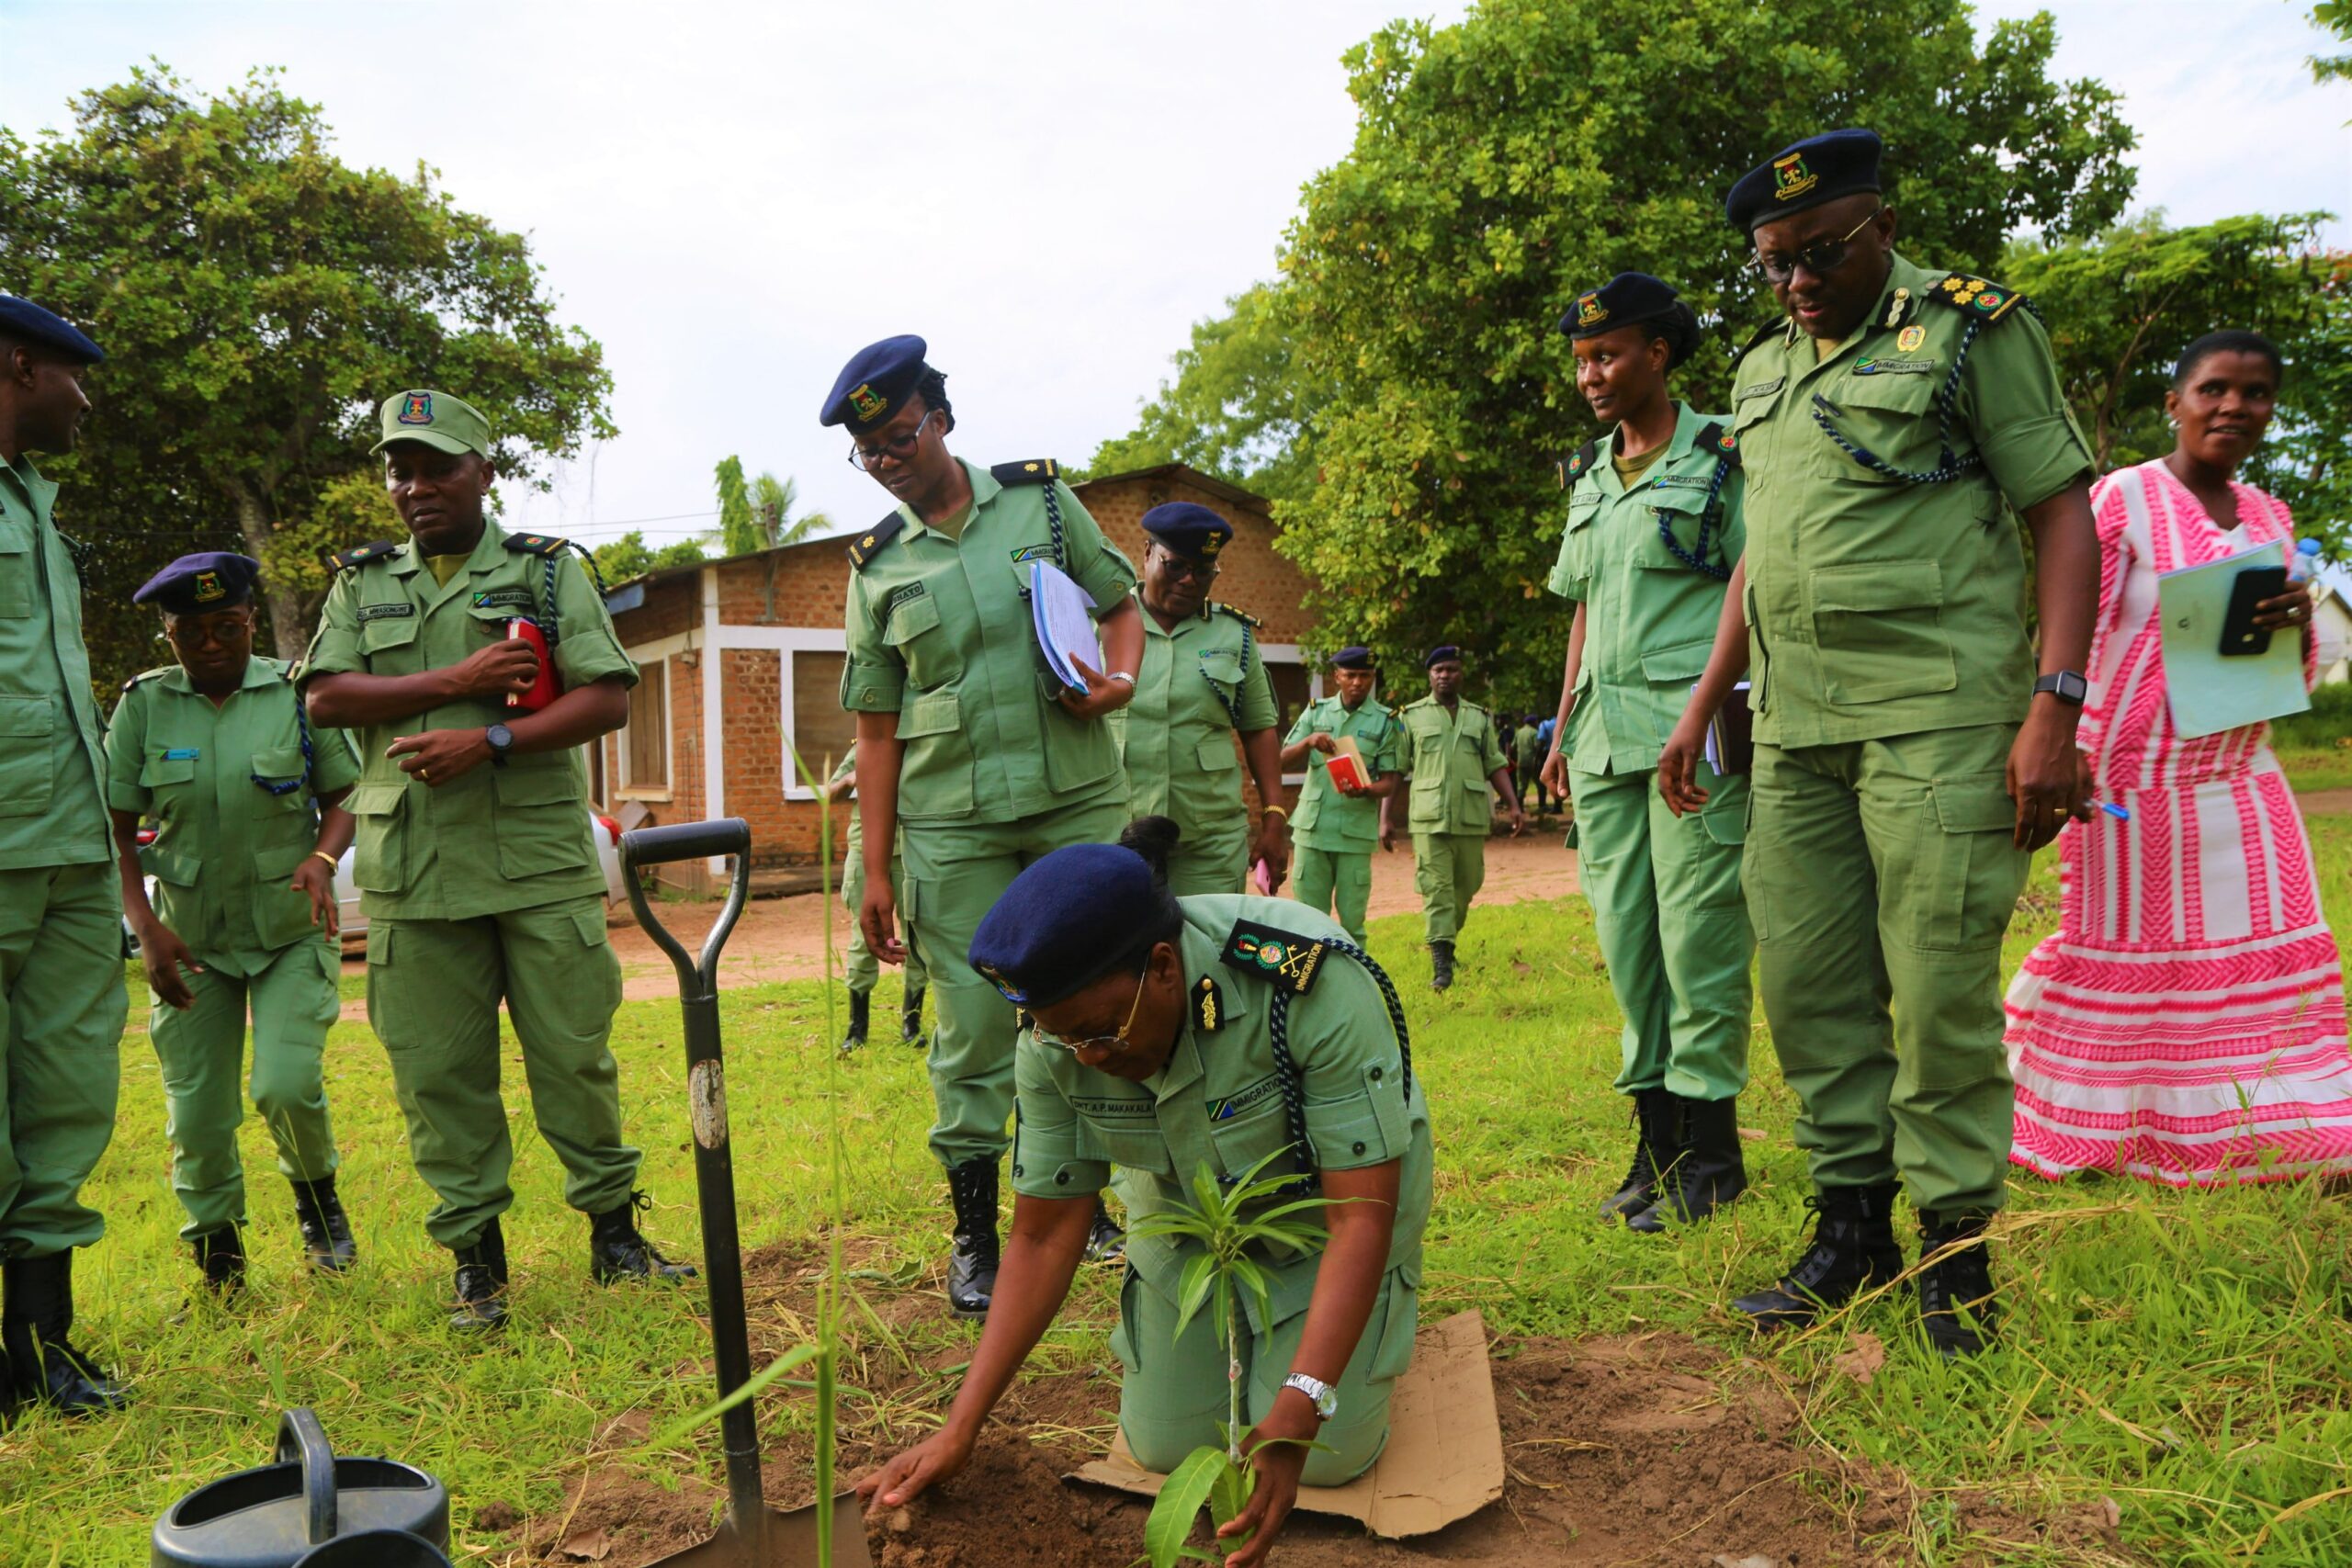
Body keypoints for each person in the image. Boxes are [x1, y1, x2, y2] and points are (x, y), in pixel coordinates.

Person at [1659, 130, 2100, 1356]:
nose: (1798, 280)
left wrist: (2056, 704)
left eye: (1820, 253)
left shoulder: (1971, 330)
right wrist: (1704, 700)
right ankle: (1851, 1231)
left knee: (1942, 986)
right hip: (1794, 725)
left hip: (1942, 712)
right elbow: (1767, 544)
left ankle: (1957, 1251)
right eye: (1773, 263)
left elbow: (2060, 506)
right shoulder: (1760, 371)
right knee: (1807, 985)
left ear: (1882, 226)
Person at [855, 818, 1430, 1568]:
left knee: (1321, 1454)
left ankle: (1359, 1334)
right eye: (1066, 1039)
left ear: (1164, 967)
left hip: (1326, 1218)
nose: (1088, 1057)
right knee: (1164, 1444)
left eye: (1103, 1032)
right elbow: (1042, 1232)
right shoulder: (1056, 1036)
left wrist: (1298, 1407)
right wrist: (962, 1424)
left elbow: (1360, 1213)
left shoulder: (1303, 980)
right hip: (1185, 1214)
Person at [302, 388, 690, 1332]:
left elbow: (605, 700)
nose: (418, 486)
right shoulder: (362, 584)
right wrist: (459, 683)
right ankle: (476, 1262)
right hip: (415, 873)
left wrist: (492, 741)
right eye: (402, 469)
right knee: (438, 1074)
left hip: (535, 859)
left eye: (439, 467)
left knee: (572, 1056)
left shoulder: (549, 575)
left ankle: (614, 1236)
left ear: (485, 473)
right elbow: (326, 699)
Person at [830, 336, 1145, 1315]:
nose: (887, 459)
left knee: (1099, 1003)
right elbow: (875, 732)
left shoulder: (1044, 506)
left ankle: (1091, 1202)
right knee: (969, 1025)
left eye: (898, 435)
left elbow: (1121, 604)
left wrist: (1118, 680)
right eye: (868, 450)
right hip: (951, 827)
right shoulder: (877, 568)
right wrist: (874, 870)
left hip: (1075, 801)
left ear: (942, 418)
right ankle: (975, 1233)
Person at [2007, 331, 2352, 1184]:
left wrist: (2299, 625)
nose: (2235, 406)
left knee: (2263, 951)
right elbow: (2073, 628)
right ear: (2176, 402)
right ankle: (2106, 1125)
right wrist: (2065, 743)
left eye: (2257, 393)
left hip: (2243, 780)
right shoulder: (2123, 497)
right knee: (2132, 958)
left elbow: (2286, 674)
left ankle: (2293, 1124)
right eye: (2215, 389)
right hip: (2129, 784)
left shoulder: (2271, 517)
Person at [1539, 273, 1754, 1233]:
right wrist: (1559, 722)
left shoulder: (1722, 456)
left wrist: (1703, 706)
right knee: (1629, 943)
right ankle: (1656, 1142)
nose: (1590, 374)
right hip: (1599, 739)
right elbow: (1584, 602)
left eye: (1608, 355)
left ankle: (1712, 1156)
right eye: (1582, 359)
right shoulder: (1590, 472)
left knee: (1695, 939)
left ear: (1657, 355)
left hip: (1691, 736)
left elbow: (1752, 586)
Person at [106, 553, 361, 1294]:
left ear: (251, 620)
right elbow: (116, 830)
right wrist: (145, 926)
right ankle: (218, 1254)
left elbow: (344, 793)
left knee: (284, 1084)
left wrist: (321, 855)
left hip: (287, 931)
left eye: (228, 626)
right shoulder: (144, 706)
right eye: (192, 632)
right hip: (191, 944)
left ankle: (319, 1207)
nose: (212, 643)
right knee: (197, 1113)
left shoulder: (293, 695)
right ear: (169, 634)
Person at [0, 295, 129, 1415]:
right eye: (72, 376)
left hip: (71, 851)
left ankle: (43, 1349)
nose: (83, 399)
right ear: (16, 366)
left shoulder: (38, 506)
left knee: (65, 1096)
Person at [1114, 502, 1290, 896]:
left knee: (1207, 948)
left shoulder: (1235, 636)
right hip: (1112, 834)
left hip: (1208, 842)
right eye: (1175, 565)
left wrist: (1275, 819)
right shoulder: (1101, 622)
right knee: (1119, 952)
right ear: (1147, 553)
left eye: (1203, 571)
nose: (1189, 580)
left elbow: (1260, 728)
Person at [1387, 646, 1524, 991]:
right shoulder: (1411, 717)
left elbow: (1494, 763)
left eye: (1451, 669)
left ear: (1461, 674)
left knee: (1466, 885)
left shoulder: (1479, 718)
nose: (1444, 675)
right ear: (1429, 676)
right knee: (1437, 890)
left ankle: (1447, 942)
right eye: (1438, 670)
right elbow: (1396, 769)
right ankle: (1441, 965)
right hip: (1428, 818)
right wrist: (1384, 817)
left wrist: (1514, 805)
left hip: (1470, 816)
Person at [1280, 647, 1403, 945]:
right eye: (1350, 675)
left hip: (1355, 834)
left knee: (1352, 924)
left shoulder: (1386, 721)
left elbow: (1390, 781)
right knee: (1308, 920)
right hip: (1313, 830)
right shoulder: (1315, 711)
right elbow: (1280, 760)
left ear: (1373, 677)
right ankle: (1309, 986)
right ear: (1337, 676)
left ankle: (1353, 986)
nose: (1358, 682)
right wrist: (1308, 741)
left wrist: (1367, 790)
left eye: (1365, 675)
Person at [824, 752, 927, 1053]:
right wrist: (848, 779)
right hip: (865, 853)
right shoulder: (862, 749)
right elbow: (826, 796)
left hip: (912, 851)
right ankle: (857, 1028)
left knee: (916, 937)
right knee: (863, 937)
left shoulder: (919, 746)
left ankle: (912, 1023)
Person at [1512, 715, 1544, 815]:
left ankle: (1520, 807)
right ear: (1533, 722)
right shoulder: (1534, 732)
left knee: (1521, 785)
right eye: (1536, 722)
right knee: (1539, 784)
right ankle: (1542, 806)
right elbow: (1537, 746)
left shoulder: (1519, 732)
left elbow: (1513, 746)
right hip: (1532, 763)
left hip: (1521, 762)